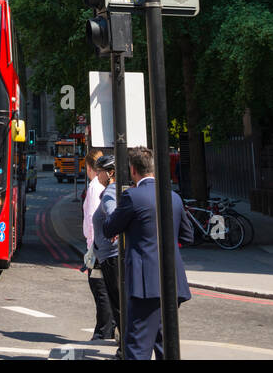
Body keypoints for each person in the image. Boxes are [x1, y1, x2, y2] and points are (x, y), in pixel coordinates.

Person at [102, 145, 193, 361]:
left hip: (145, 284)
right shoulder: (174, 197)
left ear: (133, 170)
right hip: (172, 282)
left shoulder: (132, 197)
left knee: (137, 346)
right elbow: (188, 236)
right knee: (165, 344)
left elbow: (109, 228)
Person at [82, 146, 115, 341]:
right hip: (101, 247)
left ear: (89, 167)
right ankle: (105, 329)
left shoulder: (95, 187)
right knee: (105, 290)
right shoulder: (103, 186)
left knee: (100, 289)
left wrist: (92, 251)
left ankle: (103, 332)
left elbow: (94, 220)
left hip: (97, 248)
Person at [93, 155, 120, 340]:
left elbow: (113, 216)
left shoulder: (110, 192)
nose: (97, 174)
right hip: (109, 256)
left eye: (100, 171)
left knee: (117, 304)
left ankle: (124, 348)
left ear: (110, 173)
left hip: (112, 258)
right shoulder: (114, 190)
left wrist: (113, 233)